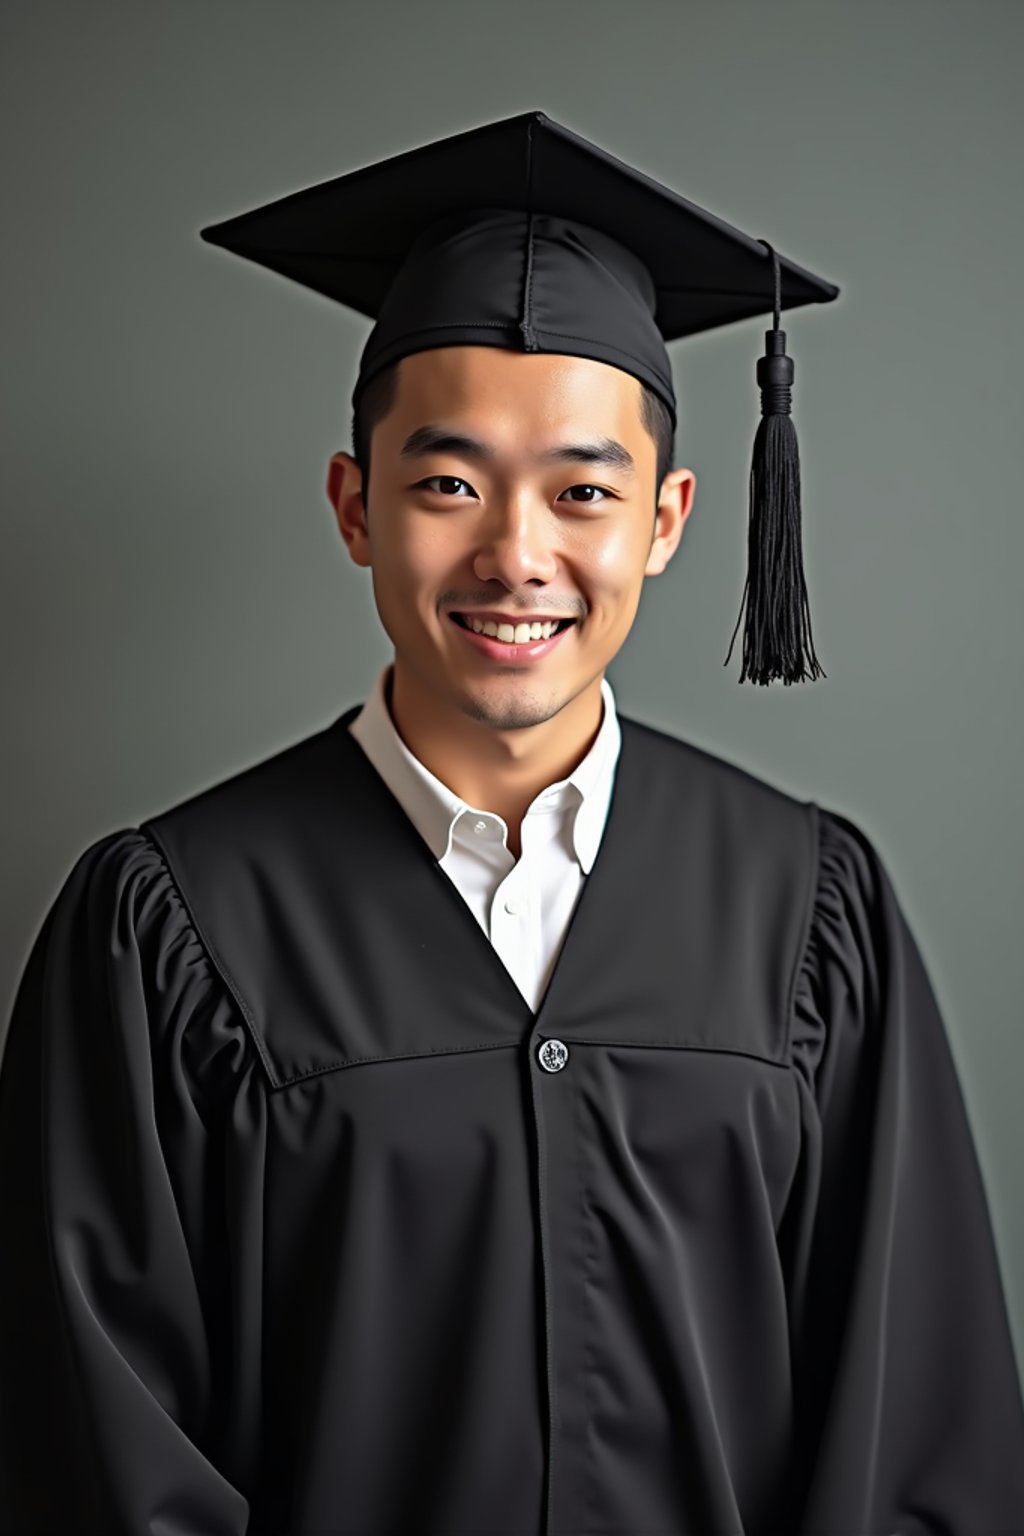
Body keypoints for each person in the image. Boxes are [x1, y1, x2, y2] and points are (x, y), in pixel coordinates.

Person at [2, 110, 1023, 1535]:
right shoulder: (169, 929)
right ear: (356, 507)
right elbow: (97, 1458)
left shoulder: (807, 911)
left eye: (583, 492)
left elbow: (912, 1424)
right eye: (449, 483)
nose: (517, 554)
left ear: (665, 521)